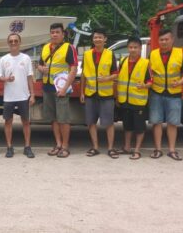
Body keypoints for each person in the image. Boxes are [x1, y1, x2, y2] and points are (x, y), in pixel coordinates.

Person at [149, 28, 183, 161]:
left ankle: (172, 150)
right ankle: (158, 149)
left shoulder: (179, 53)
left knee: (173, 123)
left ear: (172, 40)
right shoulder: (153, 54)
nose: (164, 42)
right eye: (161, 39)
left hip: (174, 94)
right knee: (156, 122)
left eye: (167, 39)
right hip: (157, 92)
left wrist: (180, 82)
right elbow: (149, 73)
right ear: (158, 41)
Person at [37, 23, 78, 158]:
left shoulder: (69, 48)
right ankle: (58, 144)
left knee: (63, 119)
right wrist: (41, 69)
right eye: (52, 32)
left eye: (57, 32)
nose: (54, 34)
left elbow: (73, 69)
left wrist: (65, 88)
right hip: (47, 87)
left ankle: (65, 147)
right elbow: (40, 64)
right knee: (53, 119)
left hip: (61, 89)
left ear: (63, 34)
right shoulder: (45, 48)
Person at [80, 28, 119, 159]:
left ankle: (110, 148)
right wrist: (82, 92)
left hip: (106, 94)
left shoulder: (110, 54)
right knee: (91, 122)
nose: (97, 39)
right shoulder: (86, 55)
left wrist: (106, 79)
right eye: (95, 37)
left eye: (100, 37)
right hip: (90, 93)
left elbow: (115, 74)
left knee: (108, 123)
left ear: (105, 39)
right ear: (93, 39)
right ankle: (95, 147)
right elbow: (84, 75)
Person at [0, 33, 35, 158]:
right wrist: (6, 78)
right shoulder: (4, 59)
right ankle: (9, 147)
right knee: (8, 122)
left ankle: (27, 147)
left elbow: (30, 77)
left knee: (26, 122)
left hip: (23, 96)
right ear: (8, 43)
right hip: (9, 97)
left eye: (16, 41)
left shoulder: (26, 58)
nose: (13, 43)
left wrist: (33, 94)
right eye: (11, 41)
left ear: (20, 42)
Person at [116, 36, 152, 160]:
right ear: (127, 48)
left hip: (138, 101)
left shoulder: (145, 63)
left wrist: (144, 85)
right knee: (127, 126)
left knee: (139, 127)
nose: (132, 49)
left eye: (135, 47)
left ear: (140, 48)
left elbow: (151, 81)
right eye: (130, 47)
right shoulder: (123, 61)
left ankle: (137, 150)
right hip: (124, 100)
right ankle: (127, 147)